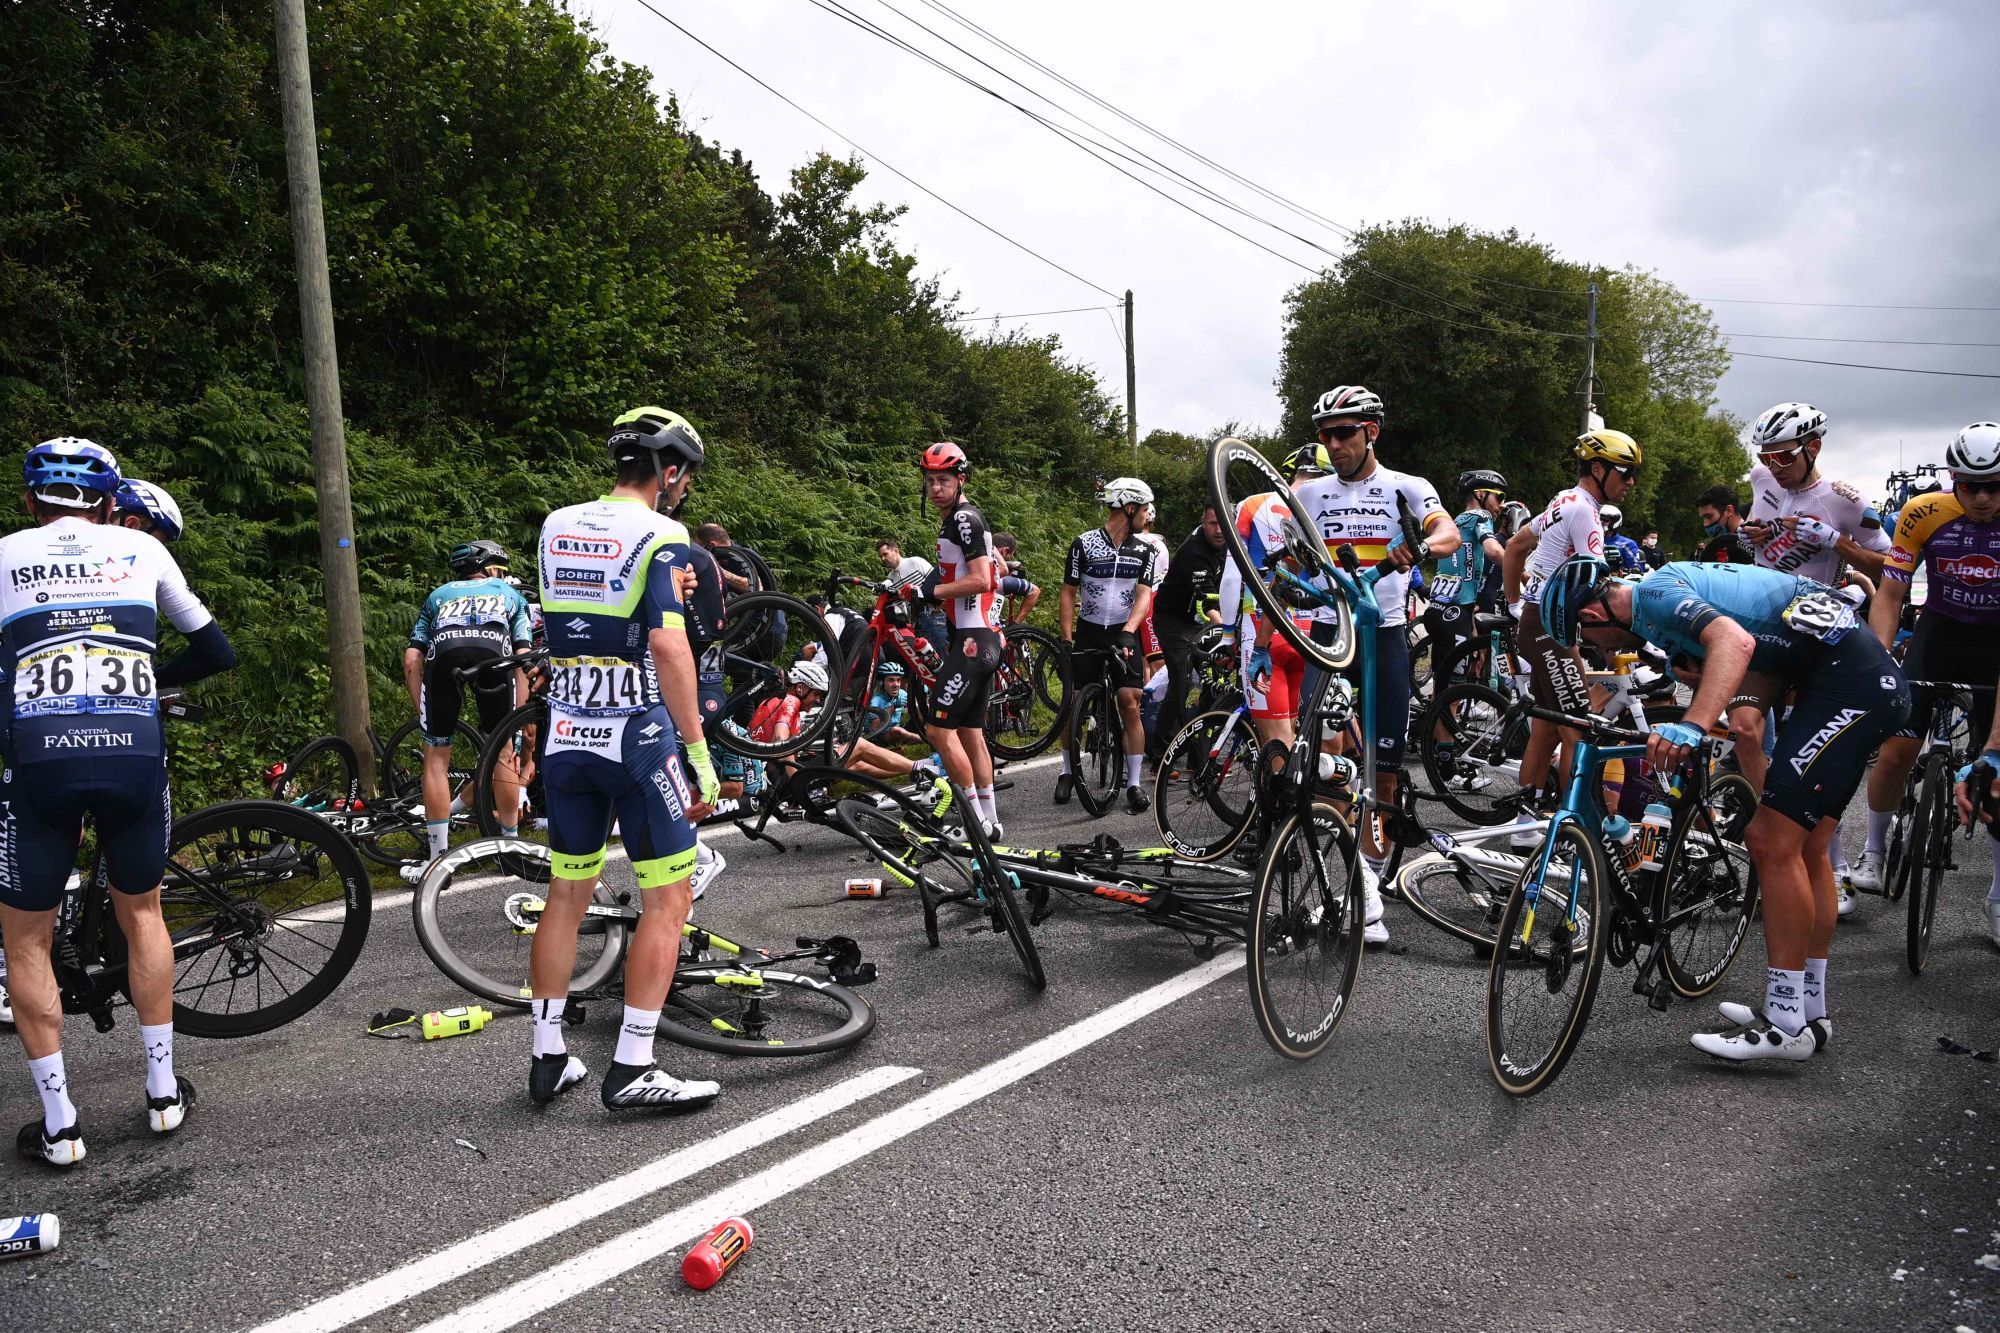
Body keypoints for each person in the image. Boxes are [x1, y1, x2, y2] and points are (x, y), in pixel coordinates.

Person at [1553, 555, 1908, 1061]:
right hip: (1853, 679)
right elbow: (1753, 676)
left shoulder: (1655, 593)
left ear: (1592, 616)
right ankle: (1809, 1011)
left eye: (1590, 641)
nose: (1601, 651)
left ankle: (1783, 1023)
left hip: (1848, 686)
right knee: (1808, 849)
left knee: (1770, 842)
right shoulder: (1668, 598)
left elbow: (1734, 642)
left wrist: (1693, 725)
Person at [2, 438, 236, 1166]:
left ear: (30, 500)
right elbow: (216, 652)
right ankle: (163, 1095)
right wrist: (145, 675)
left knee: (26, 940)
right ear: (110, 503)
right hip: (132, 749)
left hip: (37, 759)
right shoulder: (145, 550)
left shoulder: (5, 554)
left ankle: (61, 1126)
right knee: (143, 915)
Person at [527, 406, 720, 1114]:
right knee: (668, 898)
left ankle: (548, 1056)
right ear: (668, 471)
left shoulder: (555, 524)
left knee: (567, 893)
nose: (684, 490)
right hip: (634, 735)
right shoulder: (663, 534)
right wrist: (697, 752)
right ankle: (633, 1065)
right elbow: (668, 644)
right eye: (685, 478)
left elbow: (579, 614)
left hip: (565, 733)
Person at [1292, 386, 1459, 893]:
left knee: (1383, 770)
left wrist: (1421, 546)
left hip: (1384, 634)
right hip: (1331, 632)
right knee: (1326, 755)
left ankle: (1369, 877)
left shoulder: (1406, 486)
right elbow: (1292, 557)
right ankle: (1339, 871)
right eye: (1325, 435)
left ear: (1371, 432)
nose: (1333, 444)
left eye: (1344, 433)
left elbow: (1447, 532)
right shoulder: (1309, 493)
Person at [1740, 402, 1893, 912]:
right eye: (1767, 456)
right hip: (1764, 622)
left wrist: (1836, 542)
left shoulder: (1845, 500)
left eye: (1785, 456)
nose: (1774, 465)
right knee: (1746, 731)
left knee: (1811, 755)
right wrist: (1750, 535)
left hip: (1816, 633)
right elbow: (1755, 533)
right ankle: (1775, 842)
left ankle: (1834, 869)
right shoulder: (1762, 478)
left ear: (1814, 447)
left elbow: (1889, 565)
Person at [1861, 423, 2000, 944]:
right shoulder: (1922, 512)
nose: (1983, 498)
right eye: (1970, 486)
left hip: (1995, 642)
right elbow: (1890, 593)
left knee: (1996, 774)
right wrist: (1879, 661)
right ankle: (1873, 853)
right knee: (1896, 749)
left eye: (1995, 487)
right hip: (1939, 632)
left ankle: (1999, 895)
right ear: (1952, 481)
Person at [1501, 429, 1641, 844]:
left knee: (1549, 725)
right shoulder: (1585, 511)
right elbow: (1597, 584)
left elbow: (1516, 546)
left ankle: (1525, 823)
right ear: (1597, 469)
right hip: (1549, 627)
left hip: (1541, 622)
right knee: (1579, 730)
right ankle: (1578, 827)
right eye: (1625, 472)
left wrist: (1516, 604)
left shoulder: (1565, 500)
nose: (1631, 481)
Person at [400, 540, 533, 881]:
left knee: (436, 758)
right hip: (494, 656)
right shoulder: (510, 594)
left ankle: (438, 862)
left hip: (444, 656)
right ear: (490, 568)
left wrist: (424, 711)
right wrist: (518, 717)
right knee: (503, 752)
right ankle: (509, 852)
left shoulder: (438, 595)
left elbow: (412, 658)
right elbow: (524, 657)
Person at [916, 442, 1006, 835]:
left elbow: (982, 579)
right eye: (930, 481)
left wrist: (930, 593)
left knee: (938, 731)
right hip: (980, 638)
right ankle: (991, 821)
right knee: (970, 733)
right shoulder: (959, 518)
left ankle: (975, 821)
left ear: (961, 479)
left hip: (974, 640)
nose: (936, 488)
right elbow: (986, 573)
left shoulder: (964, 519)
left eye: (944, 480)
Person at [1057, 477, 1161, 813]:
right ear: (1129, 508)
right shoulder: (1084, 544)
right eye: (1144, 509)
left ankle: (1133, 783)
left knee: (1130, 702)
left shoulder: (1145, 550)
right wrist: (1066, 638)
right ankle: (1067, 770)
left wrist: (1130, 631)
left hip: (1123, 632)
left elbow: (1143, 596)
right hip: (1089, 632)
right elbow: (1068, 592)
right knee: (1073, 702)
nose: (1148, 515)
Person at [1151, 503, 1228, 757]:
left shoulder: (1230, 542)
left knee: (1216, 679)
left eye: (1222, 524)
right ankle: (1161, 750)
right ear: (1203, 522)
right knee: (1181, 679)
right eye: (1212, 524)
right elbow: (1207, 601)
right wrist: (1227, 633)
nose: (1218, 530)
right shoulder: (1193, 552)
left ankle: (1199, 752)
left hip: (1200, 620)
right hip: (1173, 620)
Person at [1427, 470, 1507, 674]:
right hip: (1456, 615)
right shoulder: (1481, 516)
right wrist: (1521, 573)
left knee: (1441, 679)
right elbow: (1493, 550)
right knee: (1456, 684)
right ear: (1480, 494)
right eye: (1499, 497)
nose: (1501, 505)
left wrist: (1472, 627)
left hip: (1436, 611)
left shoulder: (1455, 523)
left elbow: (1463, 581)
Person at [992, 532, 1041, 622]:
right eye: (1009, 557)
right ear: (1005, 551)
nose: (1009, 560)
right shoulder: (1003, 581)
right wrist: (1016, 624)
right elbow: (1035, 591)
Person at [1694, 485, 1746, 561]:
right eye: (1703, 518)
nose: (1705, 524)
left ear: (1729, 511)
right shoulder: (1721, 546)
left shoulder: (1754, 541)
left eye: (1709, 516)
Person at [1600, 505, 1645, 574]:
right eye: (1598, 519)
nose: (1601, 522)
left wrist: (1630, 570)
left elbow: (1635, 568)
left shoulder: (1626, 544)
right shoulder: (1587, 540)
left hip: (1614, 579)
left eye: (1605, 520)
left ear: (1614, 522)